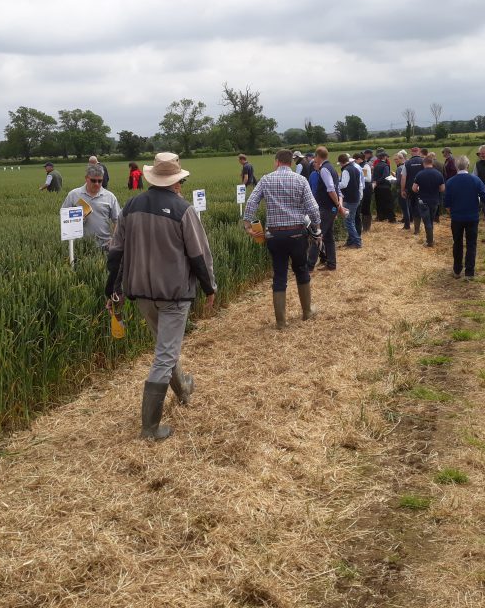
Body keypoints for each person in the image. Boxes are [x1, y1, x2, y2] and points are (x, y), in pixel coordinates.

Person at [105, 152, 216, 441]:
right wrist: (210, 288)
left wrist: (112, 291)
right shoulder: (183, 210)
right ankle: (150, 428)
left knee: (165, 346)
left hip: (141, 293)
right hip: (174, 294)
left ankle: (184, 390)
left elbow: (116, 253)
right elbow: (199, 255)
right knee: (165, 354)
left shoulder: (130, 207)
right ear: (176, 181)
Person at [243, 149, 321, 329]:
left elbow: (252, 202)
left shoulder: (266, 179)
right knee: (301, 270)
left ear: (277, 161)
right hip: (297, 233)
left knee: (279, 274)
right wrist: (317, 228)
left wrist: (248, 226)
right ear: (290, 162)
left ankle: (281, 321)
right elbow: (313, 208)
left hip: (274, 235)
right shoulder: (300, 180)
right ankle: (307, 312)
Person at [444, 156, 485, 280]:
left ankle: (457, 270)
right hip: (472, 217)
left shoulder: (450, 182)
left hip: (457, 217)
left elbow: (446, 203)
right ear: (468, 166)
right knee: (471, 244)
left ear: (456, 167)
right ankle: (469, 272)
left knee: (457, 243)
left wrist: (452, 212)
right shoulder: (475, 180)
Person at [61, 164, 121, 250]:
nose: (97, 184)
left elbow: (118, 220)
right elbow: (63, 217)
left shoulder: (110, 197)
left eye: (100, 181)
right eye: (93, 180)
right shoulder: (74, 195)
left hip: (105, 245)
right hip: (80, 245)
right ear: (86, 178)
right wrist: (77, 219)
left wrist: (114, 239)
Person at [306, 147, 345, 272]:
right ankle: (331, 264)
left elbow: (331, 189)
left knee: (317, 236)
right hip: (330, 208)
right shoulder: (331, 167)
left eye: (315, 157)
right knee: (328, 237)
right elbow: (336, 188)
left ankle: (309, 266)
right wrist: (337, 206)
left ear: (318, 156)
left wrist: (338, 205)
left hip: (326, 208)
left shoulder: (324, 169)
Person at [412, 156, 445, 247]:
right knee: (430, 220)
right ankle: (431, 238)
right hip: (435, 201)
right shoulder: (438, 174)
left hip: (423, 201)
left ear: (424, 163)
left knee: (427, 222)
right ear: (432, 163)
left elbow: (414, 189)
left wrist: (419, 190)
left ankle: (429, 242)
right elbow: (442, 189)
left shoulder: (419, 174)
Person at [338, 153, 363, 248]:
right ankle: (351, 241)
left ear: (341, 162)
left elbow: (344, 184)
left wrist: (335, 184)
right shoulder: (355, 168)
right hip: (355, 197)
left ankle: (357, 242)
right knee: (351, 221)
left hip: (349, 199)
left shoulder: (346, 170)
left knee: (349, 221)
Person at [372, 150, 395, 222]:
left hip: (377, 187)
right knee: (388, 203)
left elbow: (374, 176)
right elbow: (385, 176)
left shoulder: (376, 166)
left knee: (379, 203)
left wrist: (376, 183)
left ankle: (381, 217)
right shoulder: (385, 166)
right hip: (385, 187)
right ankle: (391, 218)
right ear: (384, 157)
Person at [359, 150, 374, 233]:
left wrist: (358, 177)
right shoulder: (360, 165)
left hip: (367, 188)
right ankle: (363, 226)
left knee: (366, 207)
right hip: (363, 188)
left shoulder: (365, 166)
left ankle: (366, 227)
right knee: (362, 208)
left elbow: (368, 178)